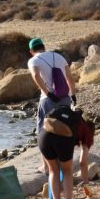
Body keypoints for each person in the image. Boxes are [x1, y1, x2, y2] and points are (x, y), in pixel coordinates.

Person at [27, 37, 76, 170]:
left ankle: (46, 165)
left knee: (43, 131)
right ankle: (64, 161)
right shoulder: (59, 57)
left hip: (48, 100)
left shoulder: (33, 60)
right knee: (63, 128)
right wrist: (73, 95)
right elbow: (69, 77)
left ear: (31, 50)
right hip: (64, 97)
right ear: (44, 47)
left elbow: (36, 76)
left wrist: (48, 93)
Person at [39, 105, 96, 199]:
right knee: (67, 171)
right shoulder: (88, 134)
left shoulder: (73, 119)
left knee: (53, 171)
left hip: (44, 136)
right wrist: (87, 188)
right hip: (63, 139)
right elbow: (83, 162)